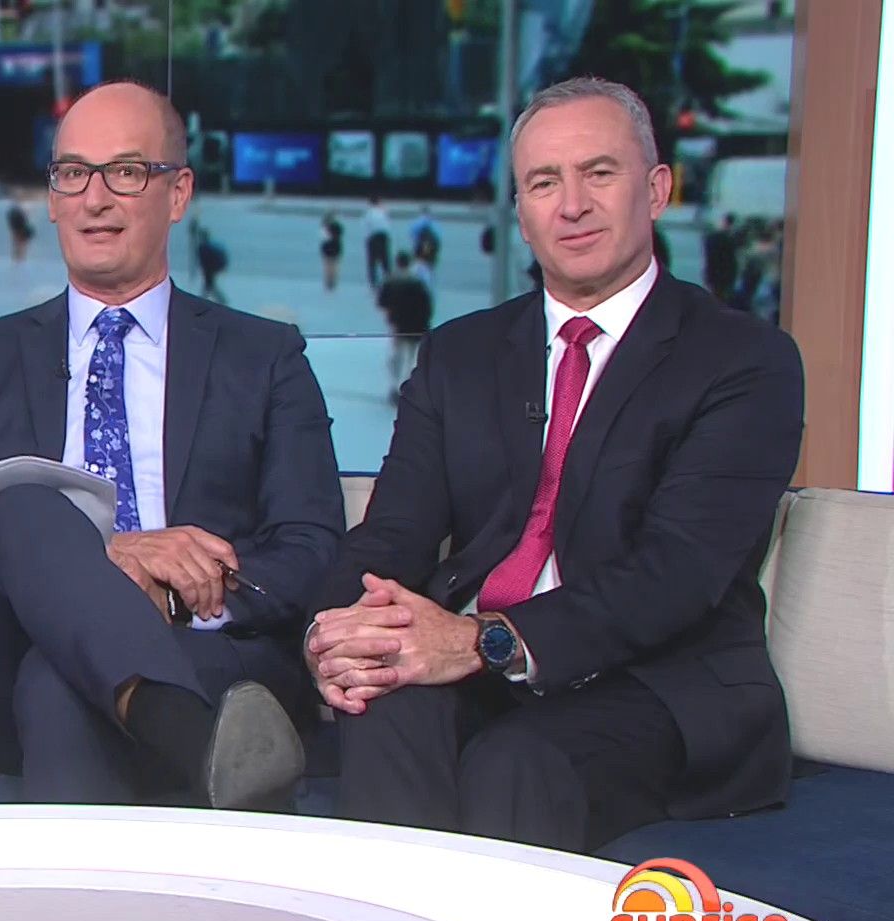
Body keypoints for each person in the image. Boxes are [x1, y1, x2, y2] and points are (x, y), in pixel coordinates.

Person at [305, 77, 804, 853]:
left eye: (598, 173)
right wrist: (335, 632)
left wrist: (484, 641)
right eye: (544, 183)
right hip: (483, 660)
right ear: (522, 212)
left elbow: (675, 573)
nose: (571, 205)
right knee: (383, 709)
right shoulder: (462, 354)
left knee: (518, 764)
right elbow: (393, 532)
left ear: (657, 189)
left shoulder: (743, 359)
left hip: (658, 681)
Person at [0, 81, 345, 808]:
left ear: (178, 192)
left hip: (197, 650)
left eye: (126, 172)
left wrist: (174, 596)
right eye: (73, 173)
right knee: (24, 506)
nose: (94, 198)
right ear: (52, 198)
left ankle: (163, 725)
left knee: (59, 684)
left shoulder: (264, 358)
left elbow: (312, 548)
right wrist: (110, 555)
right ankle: (195, 744)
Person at [375, 252, 432, 394]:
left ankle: (395, 385)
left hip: (398, 324)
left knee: (397, 355)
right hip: (416, 325)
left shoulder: (391, 282)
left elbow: (382, 302)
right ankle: (407, 384)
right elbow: (426, 307)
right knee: (411, 357)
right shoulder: (418, 284)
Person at [362, 196, 393, 287]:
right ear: (379, 202)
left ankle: (373, 282)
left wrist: (367, 240)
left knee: (372, 261)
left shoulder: (369, 213)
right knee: (385, 260)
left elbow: (366, 227)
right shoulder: (384, 212)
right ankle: (388, 280)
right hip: (384, 237)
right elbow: (388, 225)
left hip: (373, 237)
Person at [196, 227, 228, 304]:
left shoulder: (203, 247)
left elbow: (203, 260)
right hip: (213, 268)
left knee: (209, 285)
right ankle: (205, 298)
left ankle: (220, 299)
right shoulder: (209, 246)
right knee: (209, 285)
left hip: (210, 268)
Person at [319, 212, 344, 291]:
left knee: (327, 266)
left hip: (327, 247)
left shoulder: (324, 227)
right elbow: (340, 235)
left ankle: (328, 282)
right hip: (336, 247)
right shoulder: (338, 227)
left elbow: (324, 238)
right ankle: (333, 282)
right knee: (335, 265)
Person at [8, 197, 35, 265]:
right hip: (19, 228)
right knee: (20, 244)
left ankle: (19, 259)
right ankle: (19, 259)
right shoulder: (18, 210)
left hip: (20, 228)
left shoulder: (17, 210)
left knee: (19, 244)